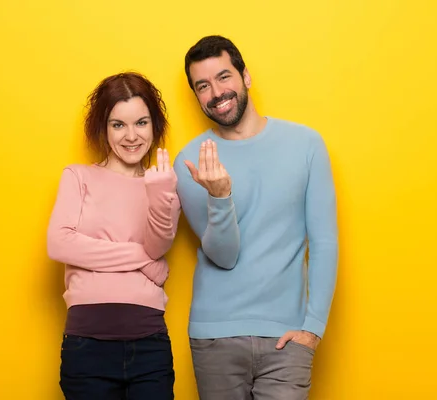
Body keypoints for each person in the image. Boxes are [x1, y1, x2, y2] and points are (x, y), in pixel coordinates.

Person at [173, 35, 339, 399]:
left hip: (288, 339)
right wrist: (219, 195)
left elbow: (324, 242)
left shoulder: (306, 144)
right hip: (214, 337)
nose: (216, 92)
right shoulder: (190, 161)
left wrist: (312, 330)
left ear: (245, 76)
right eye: (203, 86)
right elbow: (224, 256)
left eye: (224, 77)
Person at [47, 72, 180, 400]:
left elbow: (158, 245)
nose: (131, 136)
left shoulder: (162, 184)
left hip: (149, 345)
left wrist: (161, 193)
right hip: (86, 347)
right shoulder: (78, 176)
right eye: (118, 124)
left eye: (141, 123)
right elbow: (59, 243)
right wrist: (145, 262)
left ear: (154, 126)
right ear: (103, 129)